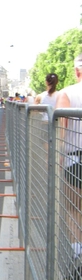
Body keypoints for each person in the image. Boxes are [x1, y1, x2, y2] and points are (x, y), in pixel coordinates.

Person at [55, 53, 82, 259]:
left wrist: (58, 155)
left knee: (74, 210)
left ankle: (77, 253)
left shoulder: (67, 94)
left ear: (76, 71)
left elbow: (60, 130)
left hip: (75, 159)